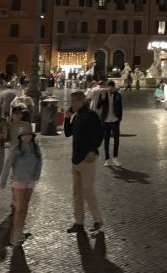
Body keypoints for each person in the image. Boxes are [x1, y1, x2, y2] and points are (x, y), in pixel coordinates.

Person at [63, 91, 104, 233]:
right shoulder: (77, 116)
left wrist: (93, 150)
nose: (71, 104)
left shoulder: (91, 115)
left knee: (88, 190)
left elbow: (99, 134)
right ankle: (79, 222)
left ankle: (98, 220)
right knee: (77, 192)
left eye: (73, 101)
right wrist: (67, 118)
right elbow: (68, 133)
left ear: (81, 101)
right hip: (76, 159)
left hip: (87, 159)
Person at [0, 122, 43, 247]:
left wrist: (37, 174)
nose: (26, 137)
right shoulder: (16, 149)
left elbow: (40, 161)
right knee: (19, 208)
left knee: (25, 207)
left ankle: (20, 232)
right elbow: (8, 164)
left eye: (28, 135)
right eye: (24, 135)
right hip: (18, 180)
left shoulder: (35, 147)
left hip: (30, 180)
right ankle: (15, 233)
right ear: (20, 137)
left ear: (32, 136)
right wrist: (3, 180)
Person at [96, 80, 123, 167]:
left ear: (113, 87)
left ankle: (115, 158)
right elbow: (98, 106)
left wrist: (119, 118)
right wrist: (103, 97)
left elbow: (120, 107)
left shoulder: (118, 95)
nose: (110, 88)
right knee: (106, 140)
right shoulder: (103, 95)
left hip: (115, 120)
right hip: (106, 121)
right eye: (108, 87)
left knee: (116, 140)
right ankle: (107, 159)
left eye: (111, 87)